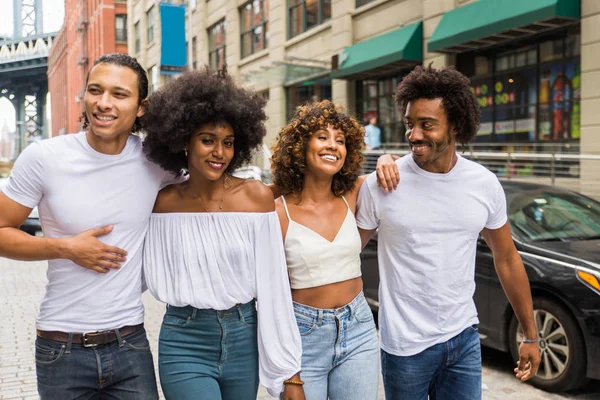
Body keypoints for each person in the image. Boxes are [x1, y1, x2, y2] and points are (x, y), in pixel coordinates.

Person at [356, 65, 541, 400]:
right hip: (404, 347)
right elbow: (345, 253)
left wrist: (530, 335)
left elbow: (508, 258)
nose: (414, 135)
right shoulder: (383, 183)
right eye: (410, 124)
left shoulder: (483, 183)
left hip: (463, 338)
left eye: (427, 124)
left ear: (455, 126)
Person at [0, 53, 170, 399]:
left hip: (130, 343)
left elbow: (215, 193)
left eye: (119, 94)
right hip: (61, 348)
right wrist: (65, 247)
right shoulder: (44, 157)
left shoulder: (157, 162)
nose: (103, 103)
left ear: (141, 106)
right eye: (95, 91)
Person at [141, 68, 304, 400]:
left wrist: (290, 374)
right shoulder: (163, 203)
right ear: (183, 140)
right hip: (184, 339)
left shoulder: (256, 197)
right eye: (207, 140)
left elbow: (274, 287)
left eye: (228, 143)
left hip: (244, 337)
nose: (219, 153)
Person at [270, 100, 398, 400]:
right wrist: (288, 372)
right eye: (322, 137)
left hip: (359, 330)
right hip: (302, 337)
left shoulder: (352, 194)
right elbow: (270, 298)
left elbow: (398, 169)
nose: (333, 146)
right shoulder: (277, 212)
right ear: (301, 145)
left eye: (340, 140)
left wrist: (385, 158)